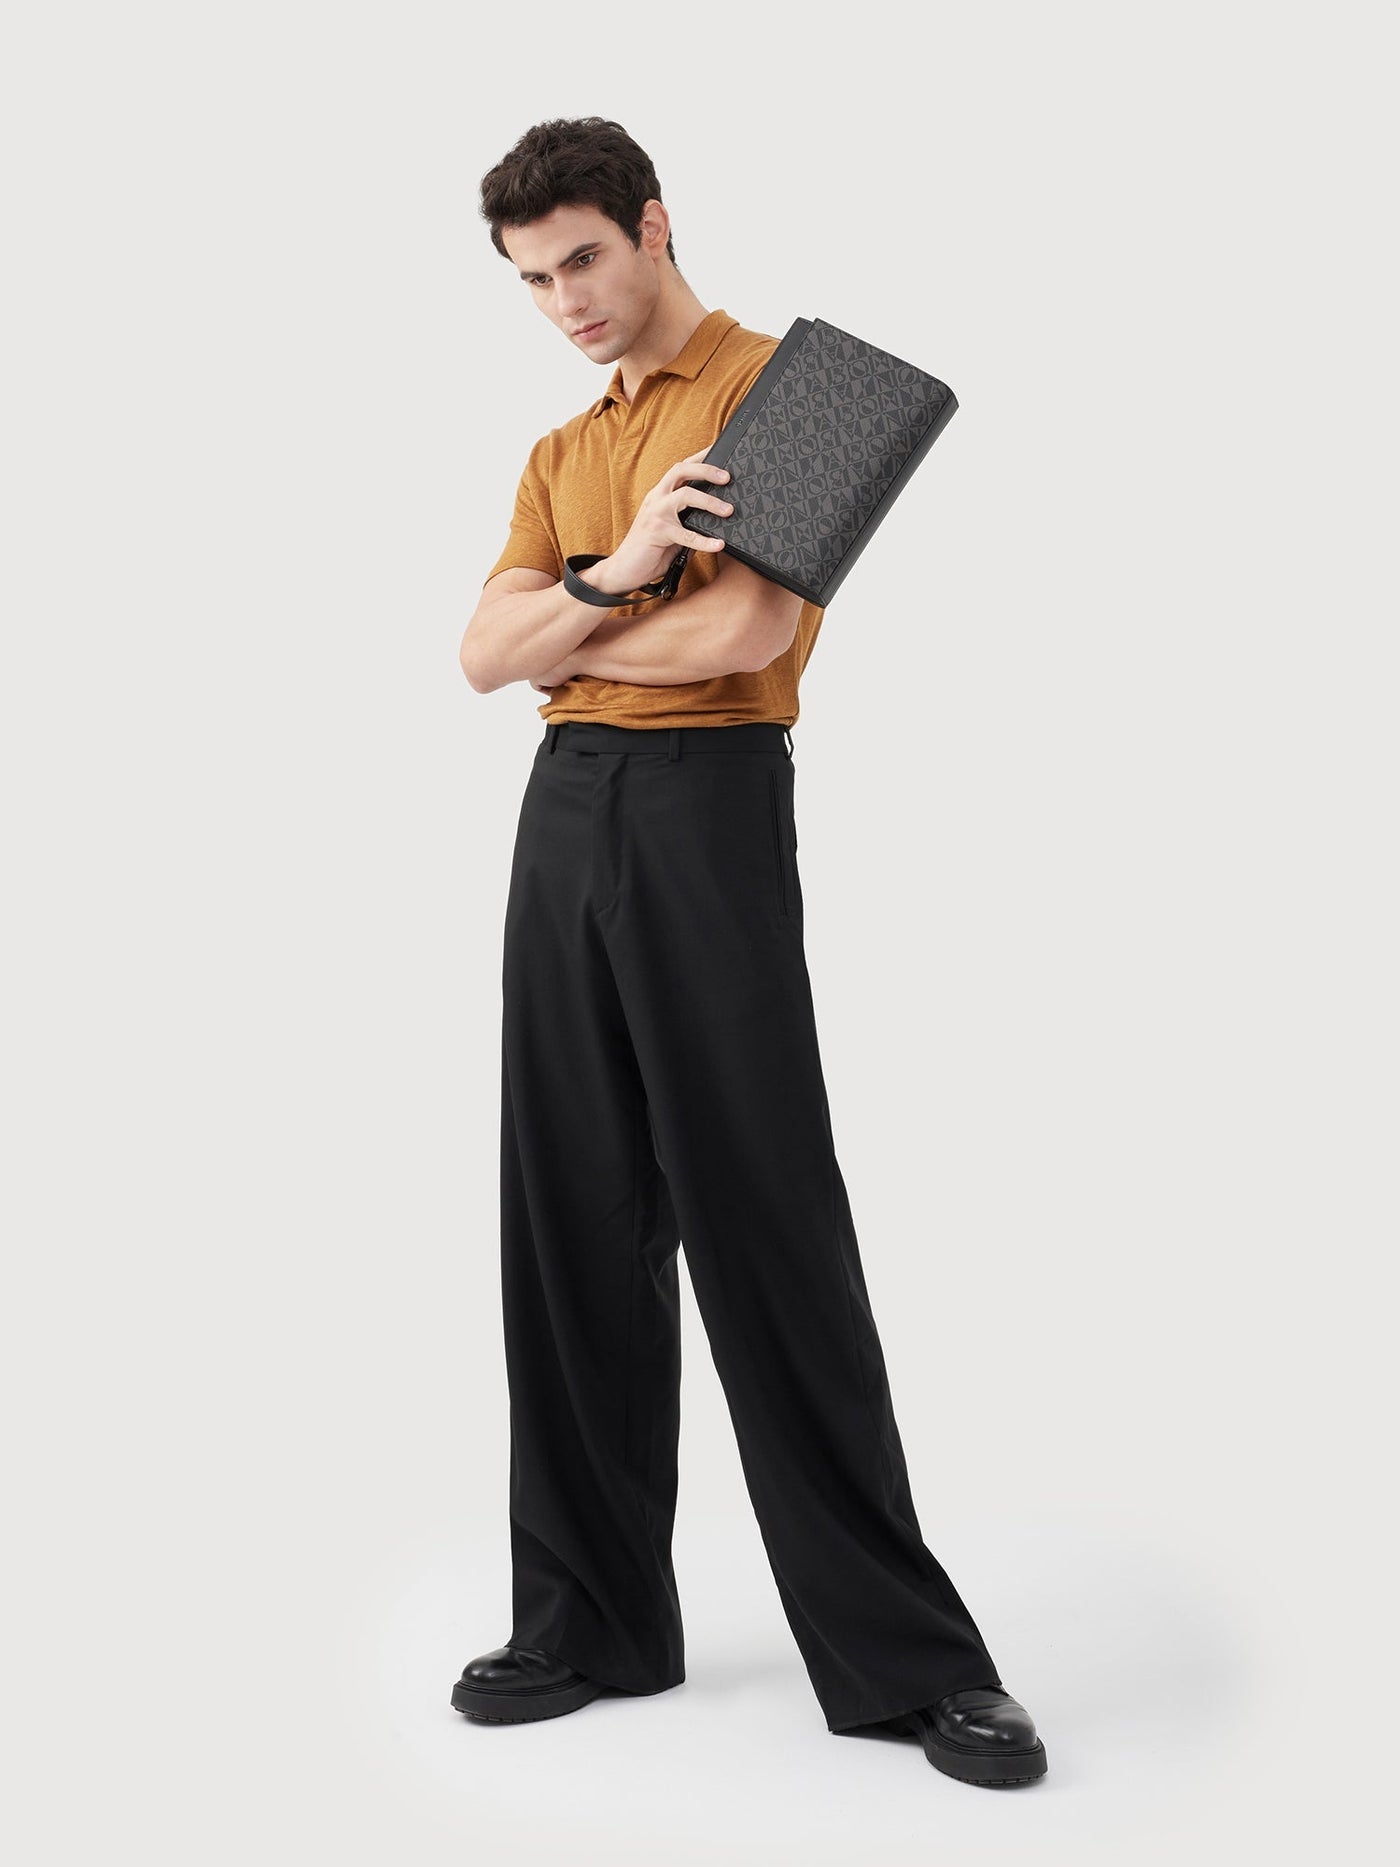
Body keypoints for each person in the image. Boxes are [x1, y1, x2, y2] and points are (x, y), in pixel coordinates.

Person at [449, 116, 1047, 1788]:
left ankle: (911, 1660)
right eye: (531, 280)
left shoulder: (807, 386)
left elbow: (751, 627)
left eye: (582, 258)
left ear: (652, 225)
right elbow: (481, 654)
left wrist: (579, 625)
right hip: (562, 818)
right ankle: (588, 1623)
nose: (565, 301)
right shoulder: (562, 448)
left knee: (763, 1213)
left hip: (709, 804)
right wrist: (624, 569)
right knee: (569, 1215)